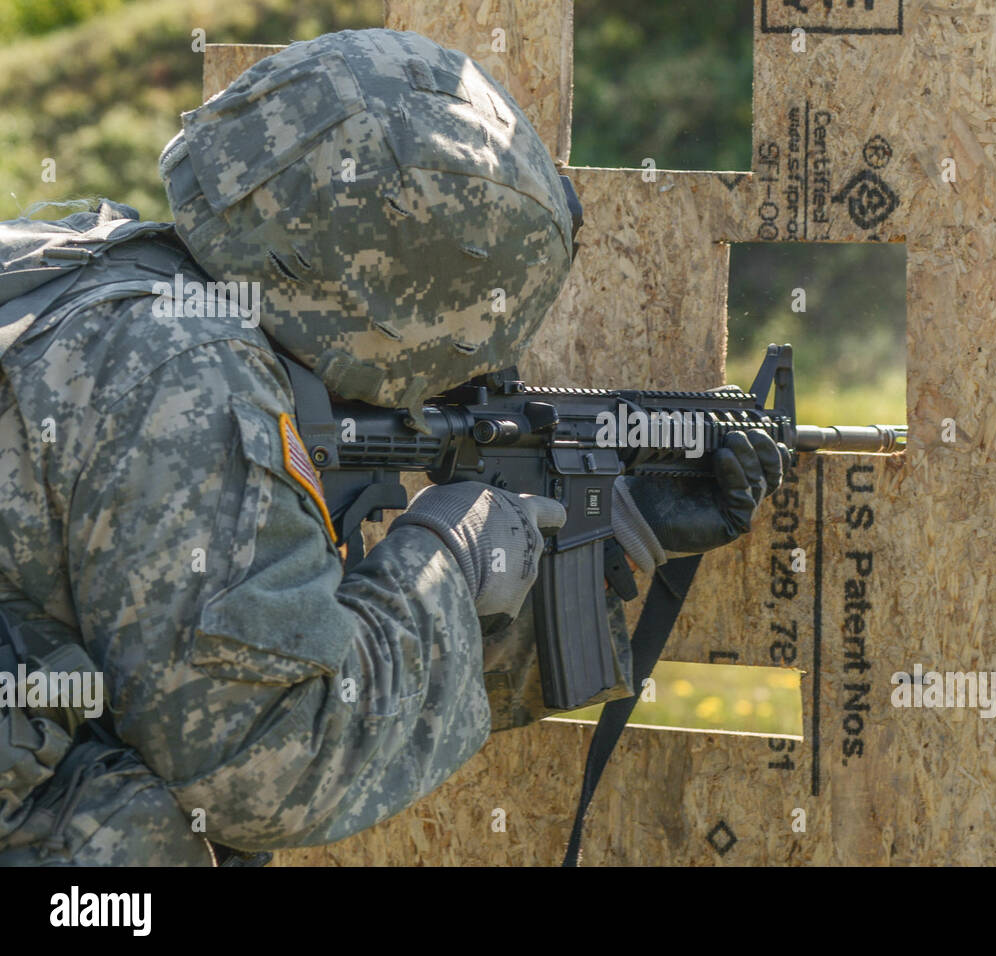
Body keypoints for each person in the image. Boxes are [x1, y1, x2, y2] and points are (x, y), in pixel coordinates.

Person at [0, 28, 786, 865]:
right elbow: (275, 765)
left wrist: (617, 533)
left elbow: (259, 659)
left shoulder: (92, 275)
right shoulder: (193, 380)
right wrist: (449, 552)